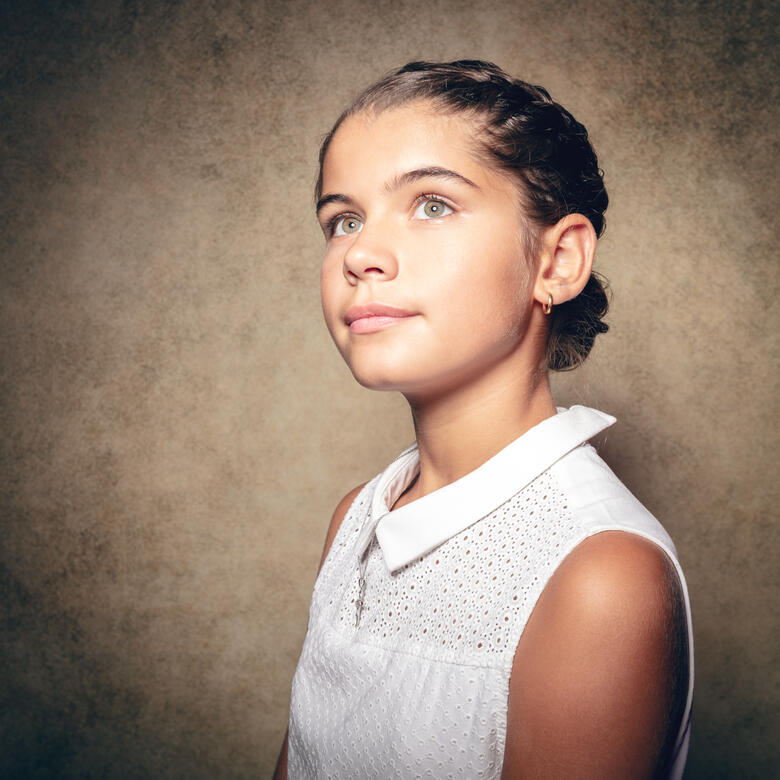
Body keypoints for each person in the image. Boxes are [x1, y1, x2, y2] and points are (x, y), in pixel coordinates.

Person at [274, 60, 693, 779]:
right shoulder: (356, 519)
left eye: (432, 204)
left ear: (558, 262)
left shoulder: (599, 578)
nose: (361, 255)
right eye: (343, 220)